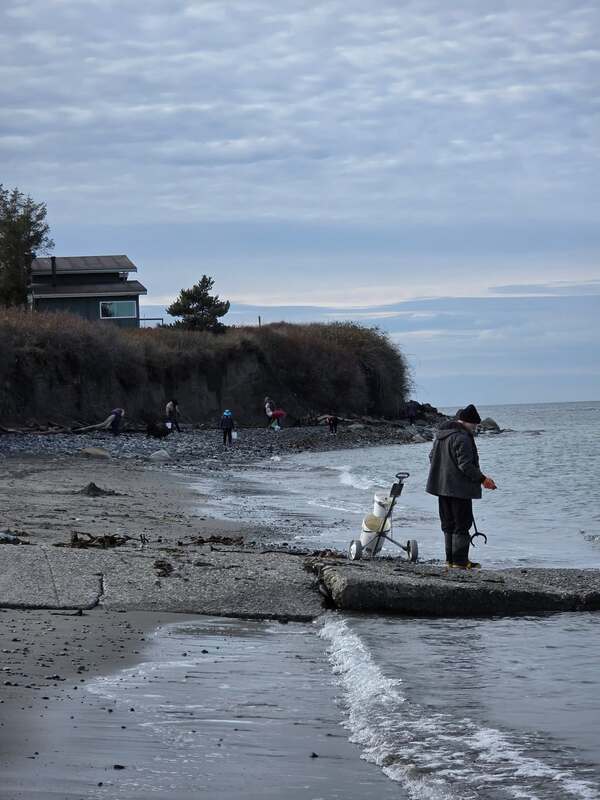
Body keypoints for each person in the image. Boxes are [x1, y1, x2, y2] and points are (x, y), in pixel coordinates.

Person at [426, 404, 497, 569]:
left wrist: (445, 473)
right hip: (459, 490)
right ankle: (460, 561)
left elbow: (431, 457)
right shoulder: (462, 437)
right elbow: (466, 465)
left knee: (448, 524)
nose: (475, 428)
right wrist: (483, 479)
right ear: (466, 422)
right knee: (462, 524)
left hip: (442, 488)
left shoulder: (441, 435)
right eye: (474, 425)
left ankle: (450, 561)